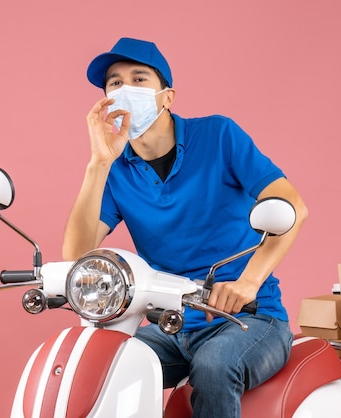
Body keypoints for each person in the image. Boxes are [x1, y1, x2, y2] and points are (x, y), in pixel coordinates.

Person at [62, 37, 308, 418]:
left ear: (167, 97)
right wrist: (99, 162)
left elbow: (293, 207)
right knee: (102, 361)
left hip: (250, 319)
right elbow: (77, 257)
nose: (125, 89)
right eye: (114, 82)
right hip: (171, 325)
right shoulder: (115, 171)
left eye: (139, 79)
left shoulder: (219, 136)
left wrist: (247, 283)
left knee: (214, 365)